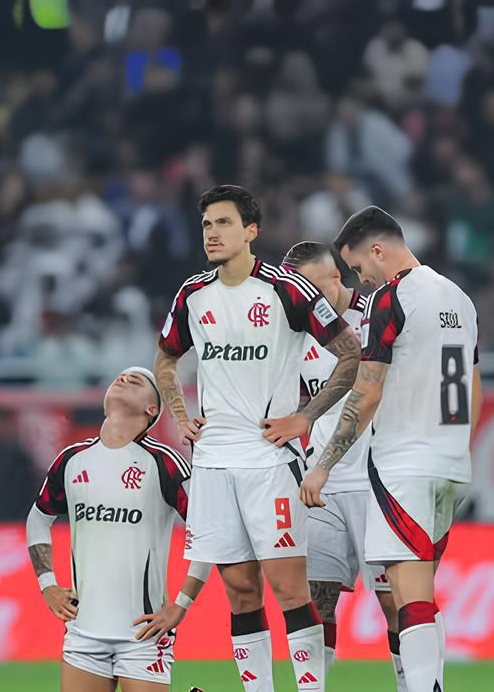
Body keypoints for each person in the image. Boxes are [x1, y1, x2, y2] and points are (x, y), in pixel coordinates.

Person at [154, 184, 360, 692]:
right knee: (241, 592)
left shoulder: (287, 289)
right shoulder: (192, 294)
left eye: (223, 223)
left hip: (270, 462)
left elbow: (350, 353)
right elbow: (165, 360)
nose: (211, 233)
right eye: (206, 225)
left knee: (289, 588)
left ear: (251, 231)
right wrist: (181, 415)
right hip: (213, 464)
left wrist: (305, 417)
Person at [300, 206, 481, 692]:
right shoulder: (459, 298)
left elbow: (368, 390)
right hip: (451, 463)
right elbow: (473, 383)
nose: (361, 278)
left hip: (404, 465)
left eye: (359, 267)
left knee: (408, 595)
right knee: (419, 592)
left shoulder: (390, 298)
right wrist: (459, 447)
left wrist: (323, 466)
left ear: (377, 250)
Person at [25, 367, 210, 692]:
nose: (124, 378)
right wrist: (47, 584)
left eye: (137, 380)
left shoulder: (163, 462)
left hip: (143, 634)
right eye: (120, 377)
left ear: (151, 409)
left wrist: (181, 605)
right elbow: (38, 519)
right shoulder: (72, 459)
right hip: (83, 633)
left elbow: (210, 531)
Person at [281, 241, 405, 690]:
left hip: (378, 482)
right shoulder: (297, 334)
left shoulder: (381, 316)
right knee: (315, 601)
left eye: (312, 286)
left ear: (338, 276)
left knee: (396, 603)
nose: (305, 297)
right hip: (321, 486)